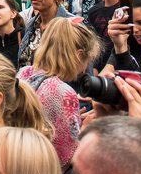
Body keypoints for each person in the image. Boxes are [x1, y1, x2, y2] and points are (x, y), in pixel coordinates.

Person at [19, 18, 91, 165]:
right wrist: (85, 129)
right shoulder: (63, 92)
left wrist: (73, 119)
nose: (85, 68)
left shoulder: (24, 74)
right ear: (79, 55)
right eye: (87, 60)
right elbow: (68, 156)